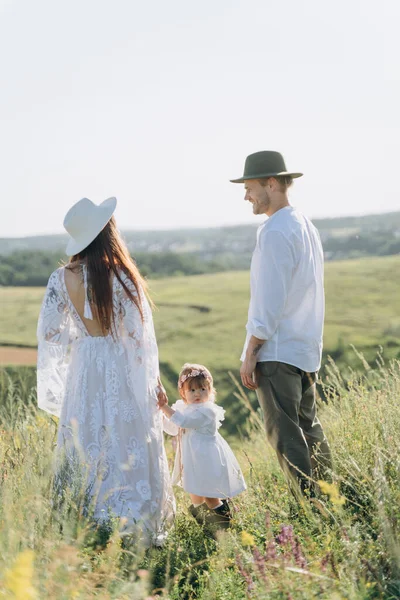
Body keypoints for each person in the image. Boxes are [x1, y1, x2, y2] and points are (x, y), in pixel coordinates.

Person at [36, 196, 174, 546]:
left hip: (84, 364)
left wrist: (81, 330)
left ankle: (88, 515)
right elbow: (139, 338)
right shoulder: (122, 275)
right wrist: (153, 383)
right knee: (125, 432)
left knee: (87, 436)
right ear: (106, 233)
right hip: (119, 362)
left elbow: (51, 332)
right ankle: (131, 514)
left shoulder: (60, 277)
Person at [230, 151, 332, 495]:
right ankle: (331, 499)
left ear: (271, 183)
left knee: (287, 439)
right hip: (304, 347)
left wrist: (252, 349)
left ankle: (309, 511)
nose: (246, 196)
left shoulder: (274, 232)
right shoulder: (304, 223)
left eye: (250, 187)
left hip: (278, 350)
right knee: (310, 429)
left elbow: (269, 301)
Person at [158, 363, 246, 528]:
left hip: (206, 459)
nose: (197, 393)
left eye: (202, 389)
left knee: (210, 495)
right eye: (192, 390)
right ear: (183, 393)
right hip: (192, 461)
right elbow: (172, 427)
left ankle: (225, 527)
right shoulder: (184, 409)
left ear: (210, 390)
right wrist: (160, 416)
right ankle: (210, 528)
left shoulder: (207, 411)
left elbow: (184, 422)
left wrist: (164, 407)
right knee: (196, 497)